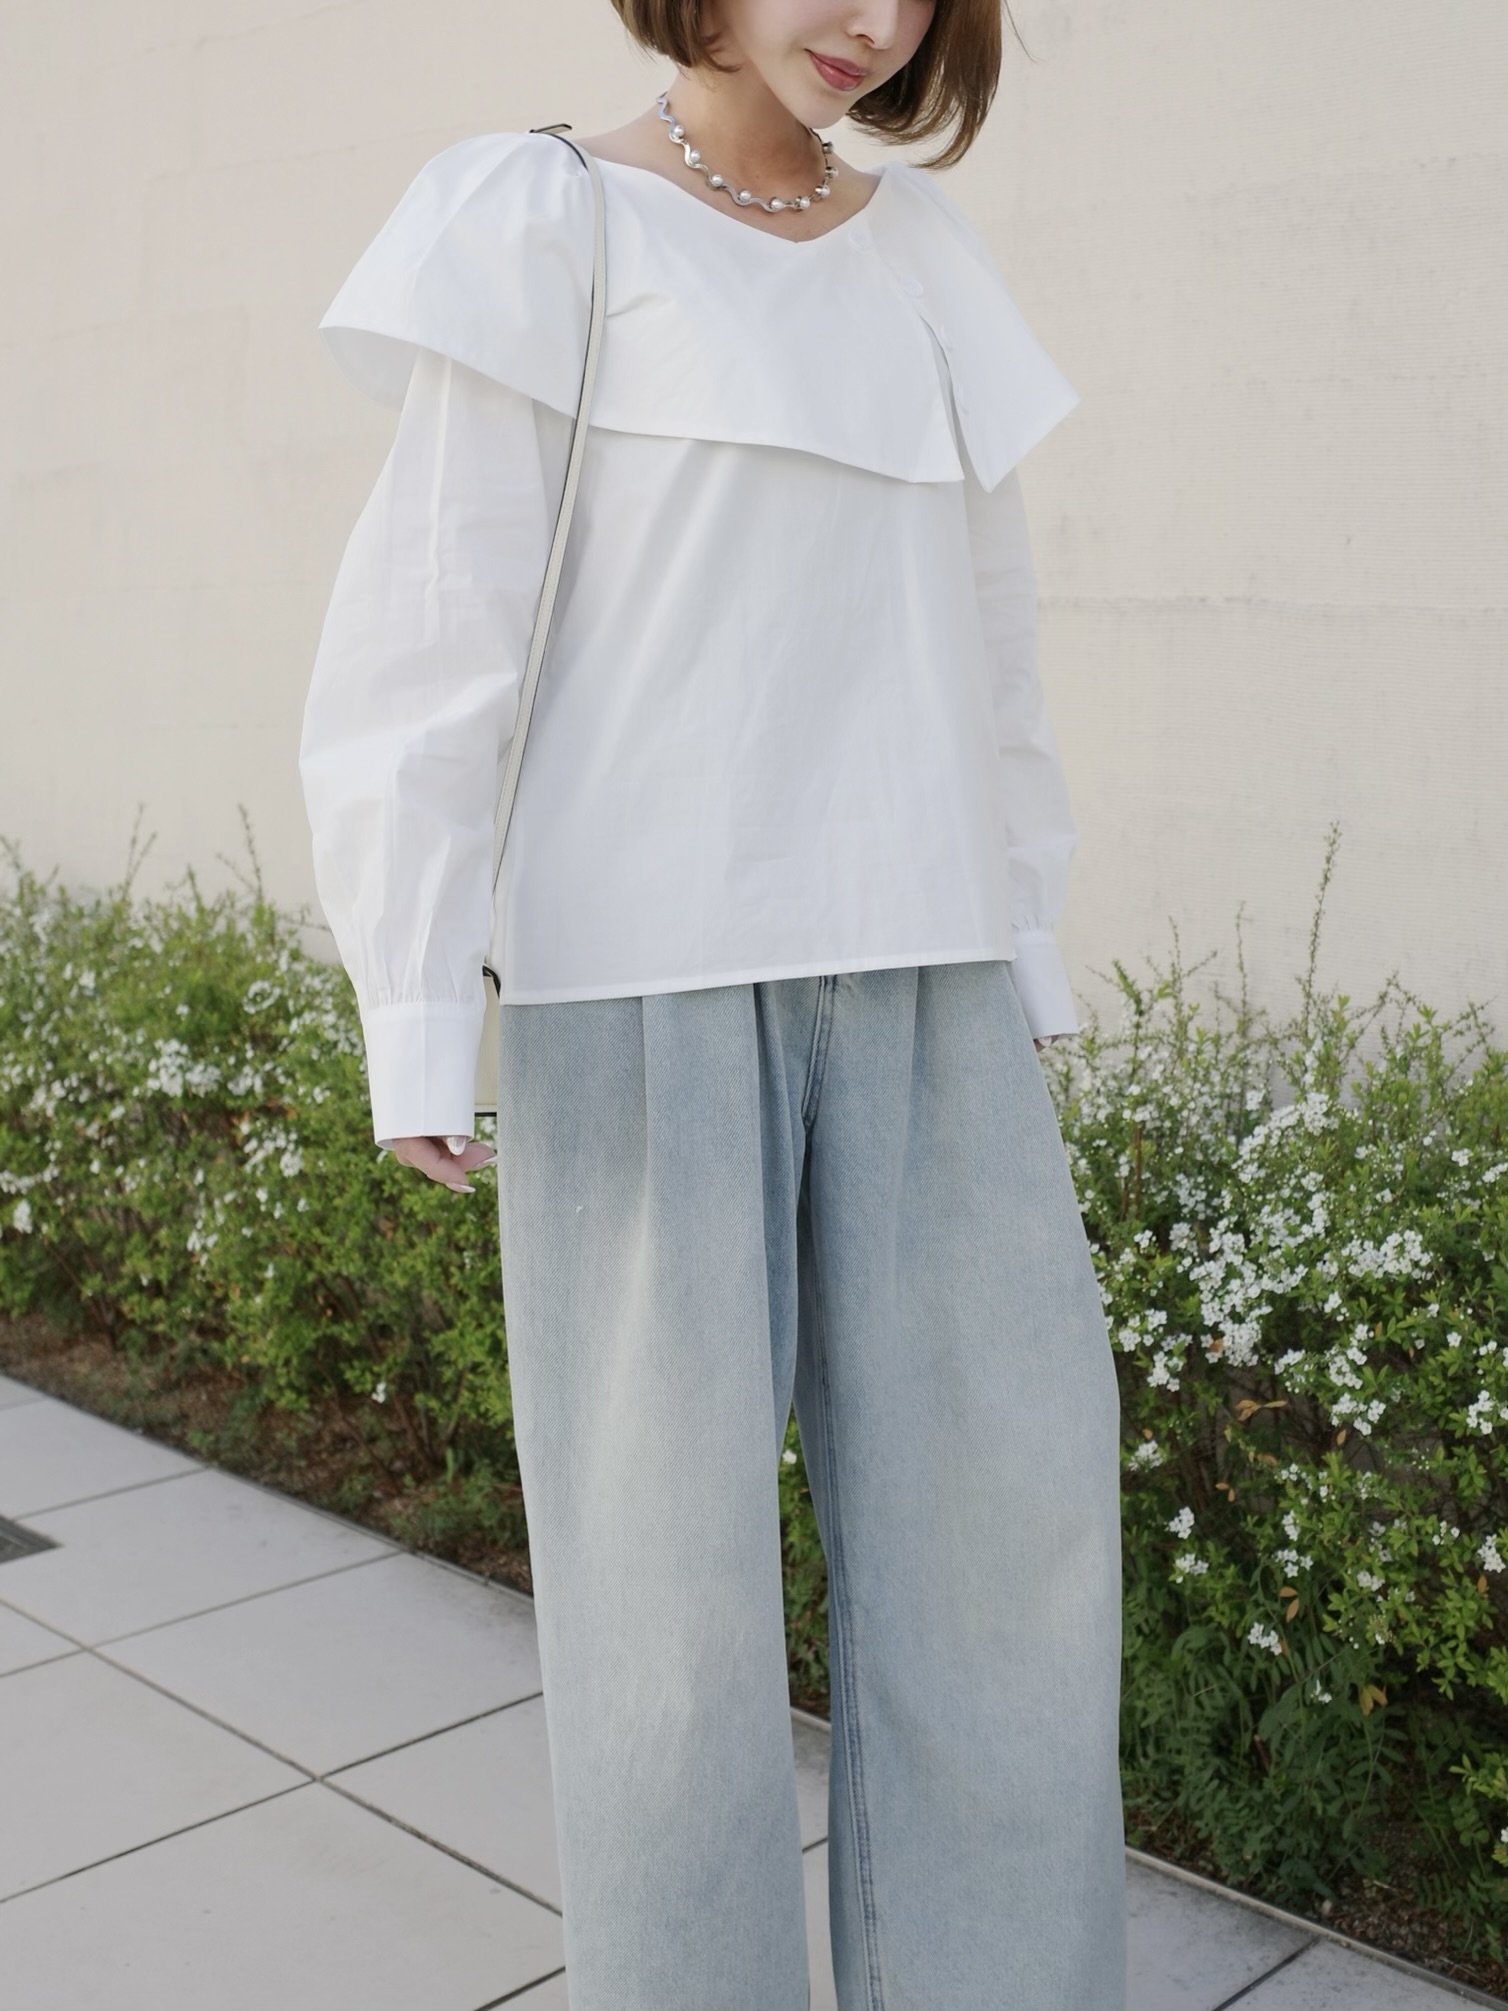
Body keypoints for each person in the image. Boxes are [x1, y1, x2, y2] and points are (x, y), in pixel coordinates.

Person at [299, 2, 1126, 2005]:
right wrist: (417, 994)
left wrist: (1022, 939)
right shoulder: (542, 219)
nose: (871, 19)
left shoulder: (925, 257)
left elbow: (991, 645)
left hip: (929, 976)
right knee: (662, 1645)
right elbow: (430, 632)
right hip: (642, 989)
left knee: (1008, 1586)